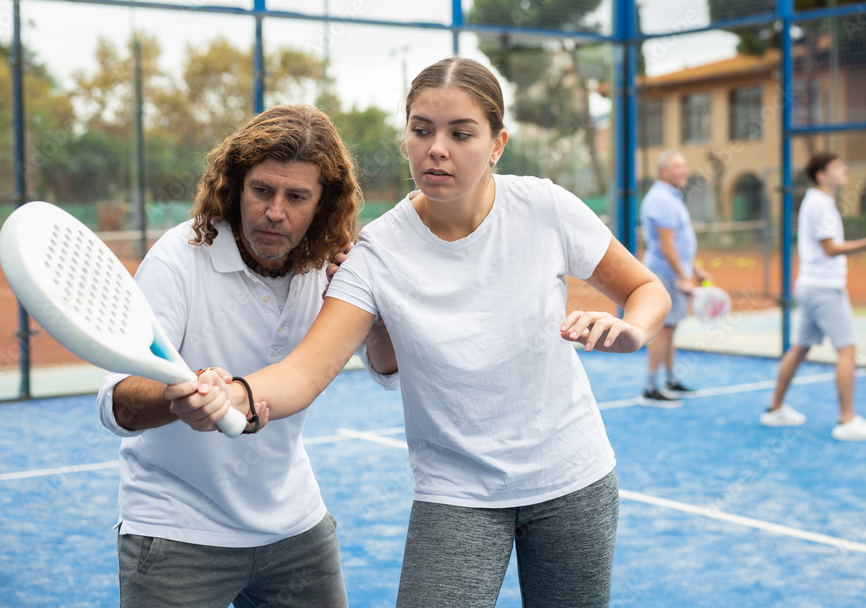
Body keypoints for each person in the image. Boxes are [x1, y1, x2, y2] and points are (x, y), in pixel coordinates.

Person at [169, 57, 671, 607]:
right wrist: (238, 393)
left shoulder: (545, 206)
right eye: (422, 130)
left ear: (497, 143)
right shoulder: (375, 253)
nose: (438, 148)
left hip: (575, 478)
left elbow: (647, 289)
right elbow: (305, 371)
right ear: (406, 135)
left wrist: (634, 329)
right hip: (456, 493)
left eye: (461, 133)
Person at [95, 104, 398, 608]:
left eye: (296, 196)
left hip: (295, 527)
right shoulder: (178, 257)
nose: (275, 211)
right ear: (237, 187)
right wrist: (177, 398)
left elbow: (387, 372)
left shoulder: (333, 267)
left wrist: (378, 315)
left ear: (323, 204)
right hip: (178, 533)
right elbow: (116, 402)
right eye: (262, 191)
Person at [761, 152, 866, 441]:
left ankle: (774, 408)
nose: (844, 169)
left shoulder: (819, 202)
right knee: (847, 350)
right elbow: (831, 248)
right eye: (837, 167)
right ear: (821, 175)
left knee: (800, 348)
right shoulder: (820, 204)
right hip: (824, 289)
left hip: (811, 286)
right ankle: (847, 421)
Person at [638, 150, 713, 405]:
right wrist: (684, 276)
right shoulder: (662, 199)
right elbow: (667, 245)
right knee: (663, 329)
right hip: (665, 276)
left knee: (670, 328)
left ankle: (669, 380)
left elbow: (679, 244)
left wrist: (695, 271)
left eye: (684, 166)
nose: (683, 171)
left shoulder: (671, 196)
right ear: (663, 172)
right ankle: (650, 388)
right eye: (677, 167)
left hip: (673, 275)